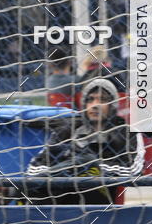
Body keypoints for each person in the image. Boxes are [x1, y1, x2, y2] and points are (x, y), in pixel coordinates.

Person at [27, 77, 145, 205]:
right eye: (90, 99)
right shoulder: (68, 130)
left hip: (101, 201)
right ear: (84, 104)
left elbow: (134, 171)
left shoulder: (126, 132)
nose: (95, 105)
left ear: (112, 105)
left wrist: (90, 166)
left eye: (103, 100)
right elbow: (34, 169)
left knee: (87, 161)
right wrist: (71, 168)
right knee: (37, 190)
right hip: (60, 198)